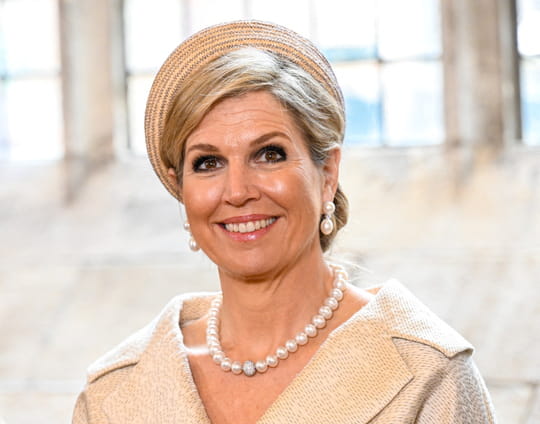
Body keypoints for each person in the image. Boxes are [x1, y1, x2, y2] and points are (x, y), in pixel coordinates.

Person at [72, 20, 497, 423]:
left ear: (327, 173)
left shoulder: (428, 373)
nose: (237, 191)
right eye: (208, 163)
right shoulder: (115, 393)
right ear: (180, 188)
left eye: (269, 155)